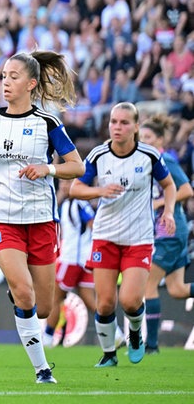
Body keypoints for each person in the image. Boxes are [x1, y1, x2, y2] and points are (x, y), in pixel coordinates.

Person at [0, 51, 85, 384]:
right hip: (0, 217)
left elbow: (78, 166)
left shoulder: (47, 123)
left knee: (42, 308)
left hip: (41, 219)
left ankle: (20, 292)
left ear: (30, 83)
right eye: (3, 76)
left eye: (14, 77)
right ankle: (42, 370)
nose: (6, 83)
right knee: (25, 294)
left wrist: (48, 168)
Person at [69, 102, 177, 367]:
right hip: (105, 236)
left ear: (136, 126)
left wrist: (169, 211)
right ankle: (108, 355)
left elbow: (169, 185)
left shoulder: (149, 155)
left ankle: (136, 333)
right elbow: (75, 188)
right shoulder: (98, 155)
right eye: (114, 122)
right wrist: (99, 191)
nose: (117, 127)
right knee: (105, 303)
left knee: (129, 301)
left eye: (124, 122)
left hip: (138, 238)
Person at [137, 113, 192, 354]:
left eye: (148, 137)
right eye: (141, 137)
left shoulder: (165, 161)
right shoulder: (149, 163)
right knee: (177, 289)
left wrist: (160, 204)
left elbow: (187, 189)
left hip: (169, 231)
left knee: (147, 285)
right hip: (168, 231)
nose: (144, 141)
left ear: (160, 140)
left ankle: (151, 345)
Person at [43, 180, 99, 347]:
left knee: (55, 298)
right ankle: (115, 333)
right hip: (83, 259)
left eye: (68, 183)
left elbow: (93, 224)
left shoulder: (78, 204)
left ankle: (46, 339)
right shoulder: (69, 203)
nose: (64, 187)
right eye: (62, 184)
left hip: (71, 260)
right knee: (90, 300)